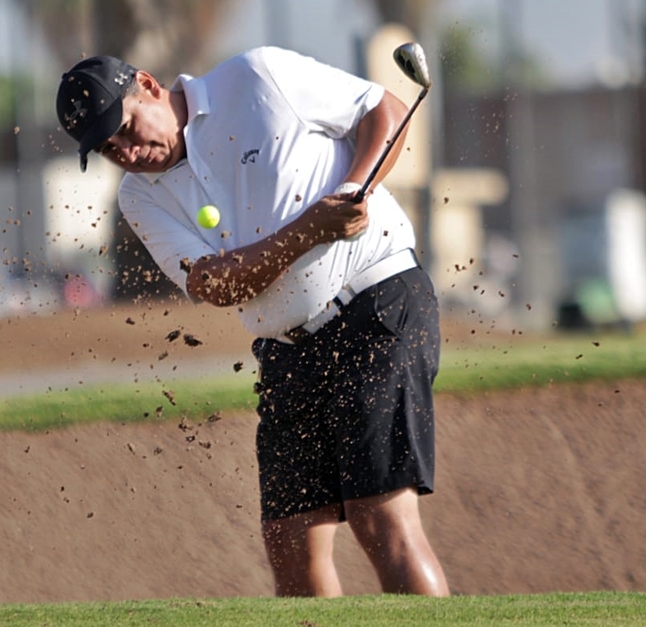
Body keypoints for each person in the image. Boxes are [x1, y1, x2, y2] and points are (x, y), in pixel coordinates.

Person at [56, 46, 449, 597]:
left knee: (380, 522)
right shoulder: (139, 197)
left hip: (375, 305)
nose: (125, 150)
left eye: (124, 127)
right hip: (286, 350)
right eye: (107, 148)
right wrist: (312, 227)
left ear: (146, 85)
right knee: (290, 541)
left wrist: (354, 187)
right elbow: (217, 285)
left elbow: (380, 109)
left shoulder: (256, 76)